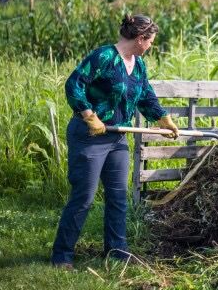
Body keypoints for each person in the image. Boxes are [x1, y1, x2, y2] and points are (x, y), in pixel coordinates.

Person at [51, 14, 180, 269]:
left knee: (118, 196)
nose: (151, 45)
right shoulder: (104, 57)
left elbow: (145, 95)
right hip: (89, 137)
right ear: (141, 38)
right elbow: (74, 84)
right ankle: (62, 254)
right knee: (84, 197)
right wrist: (88, 115)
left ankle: (117, 251)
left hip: (117, 137)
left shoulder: (138, 65)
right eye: (151, 40)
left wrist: (162, 118)